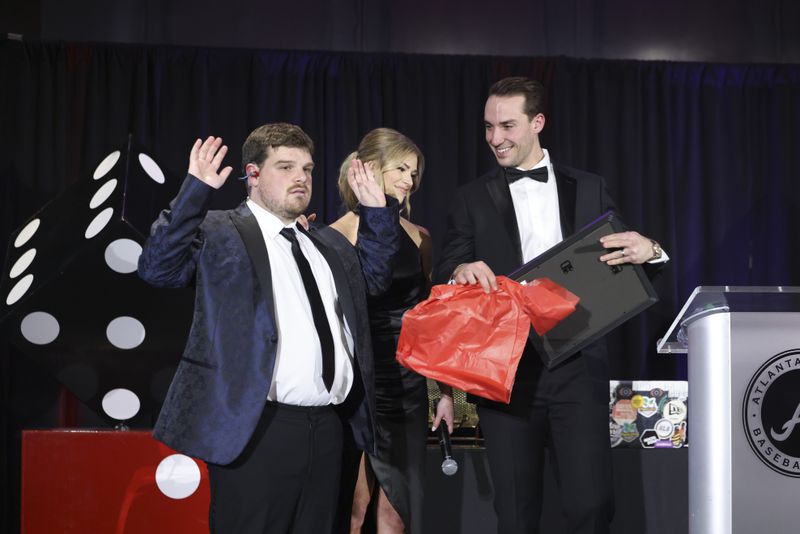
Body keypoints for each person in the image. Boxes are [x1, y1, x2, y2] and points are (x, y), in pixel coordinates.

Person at [137, 123, 400, 534]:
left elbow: (374, 282)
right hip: (258, 429)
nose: (301, 177)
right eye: (286, 166)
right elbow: (157, 268)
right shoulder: (221, 230)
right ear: (253, 174)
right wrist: (194, 191)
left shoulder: (326, 244)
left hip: (330, 429)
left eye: (308, 168)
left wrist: (377, 214)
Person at [434, 77, 668, 534]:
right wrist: (459, 271)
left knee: (591, 506)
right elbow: (448, 267)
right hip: (506, 374)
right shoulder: (470, 198)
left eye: (506, 126)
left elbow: (624, 263)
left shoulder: (590, 187)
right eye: (487, 127)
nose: (495, 139)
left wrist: (651, 249)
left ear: (538, 122)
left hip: (578, 366)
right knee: (516, 513)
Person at [328, 128, 454, 534]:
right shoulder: (335, 235)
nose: (409, 180)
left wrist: (444, 394)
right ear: (368, 169)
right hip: (358, 391)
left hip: (408, 392)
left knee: (396, 513)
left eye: (414, 173)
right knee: (353, 508)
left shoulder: (420, 238)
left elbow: (431, 323)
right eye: (401, 168)